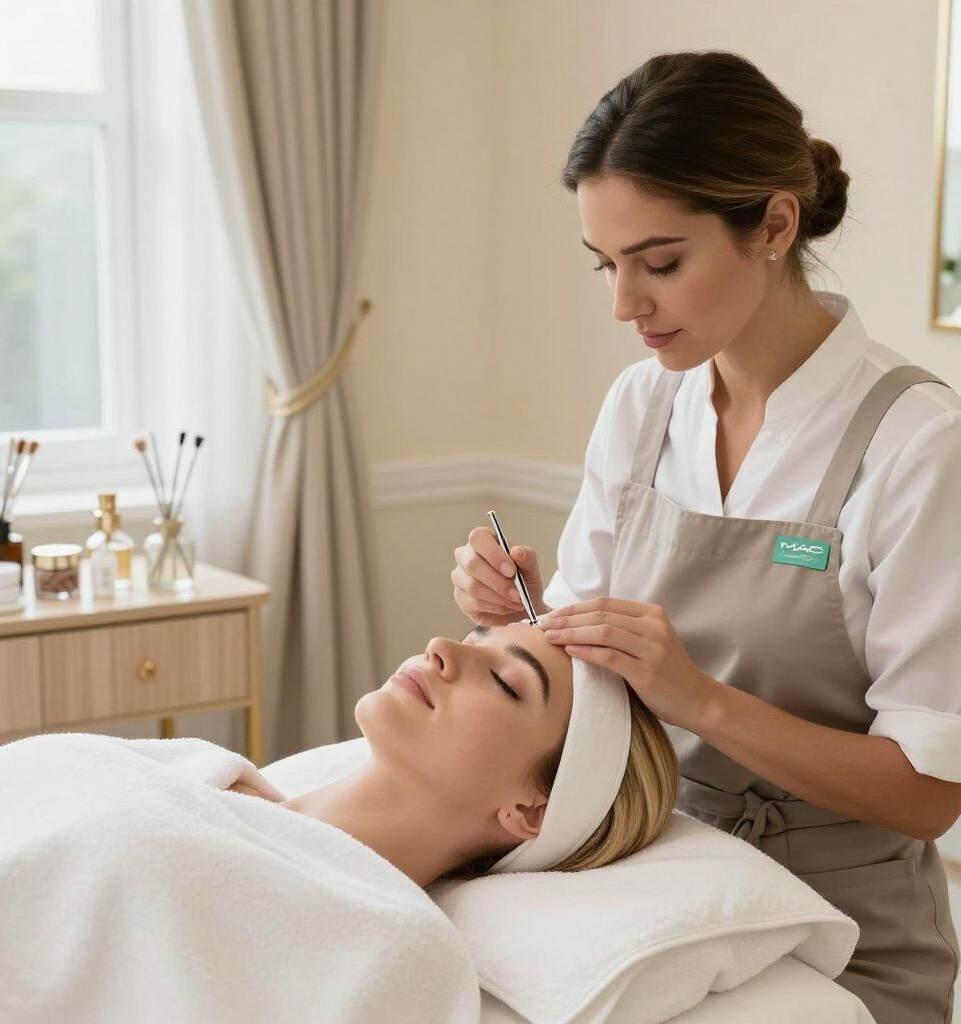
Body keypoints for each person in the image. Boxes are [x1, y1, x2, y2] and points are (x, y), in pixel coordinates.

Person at [452, 50, 961, 1022]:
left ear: (773, 223)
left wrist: (697, 698)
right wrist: (525, 615)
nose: (623, 305)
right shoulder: (643, 407)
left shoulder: (915, 445)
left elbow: (927, 794)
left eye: (661, 262)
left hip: (847, 931)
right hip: (655, 885)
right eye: (608, 266)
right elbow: (597, 677)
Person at [235, 619, 678, 886]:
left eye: (504, 682)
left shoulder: (375, 944)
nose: (439, 649)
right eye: (472, 638)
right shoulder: (205, 779)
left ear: (532, 810)